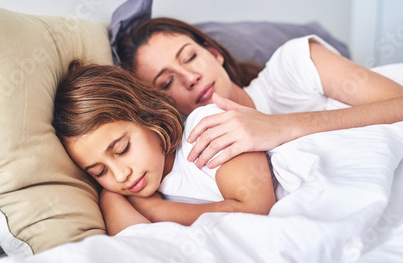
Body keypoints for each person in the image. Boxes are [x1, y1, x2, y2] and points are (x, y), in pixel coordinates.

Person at [117, 17, 403, 169]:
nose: (190, 77)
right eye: (166, 82)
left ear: (214, 54)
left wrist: (279, 128)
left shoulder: (291, 64)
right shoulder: (197, 153)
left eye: (189, 57)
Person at [53, 60, 276, 236]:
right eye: (99, 171)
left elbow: (256, 211)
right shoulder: (119, 194)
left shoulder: (207, 128)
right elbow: (139, 249)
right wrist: (111, 198)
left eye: (122, 149)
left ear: (150, 116)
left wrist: (158, 212)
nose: (121, 175)